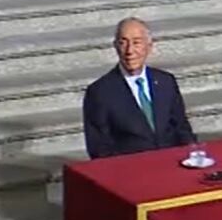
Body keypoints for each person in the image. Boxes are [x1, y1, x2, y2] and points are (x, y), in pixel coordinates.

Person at [82, 18, 196, 158]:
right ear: (116, 46)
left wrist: (192, 155)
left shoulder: (166, 82)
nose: (130, 51)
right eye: (123, 43)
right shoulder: (100, 92)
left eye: (136, 42)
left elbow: (182, 129)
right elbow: (99, 149)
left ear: (149, 46)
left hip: (172, 164)